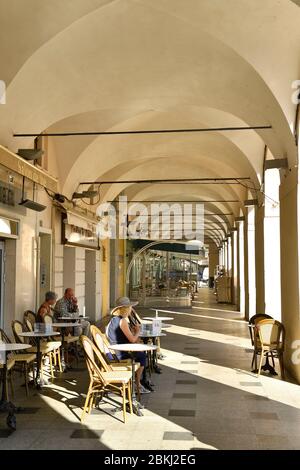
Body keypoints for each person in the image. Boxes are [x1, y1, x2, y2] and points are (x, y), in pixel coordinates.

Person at [106, 296, 150, 395]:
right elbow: (133, 340)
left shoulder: (113, 320)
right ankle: (137, 384)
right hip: (118, 353)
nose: (131, 309)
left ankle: (136, 382)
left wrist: (133, 331)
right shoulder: (122, 321)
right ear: (126, 308)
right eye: (130, 307)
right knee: (142, 356)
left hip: (112, 351)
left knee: (140, 354)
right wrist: (138, 331)